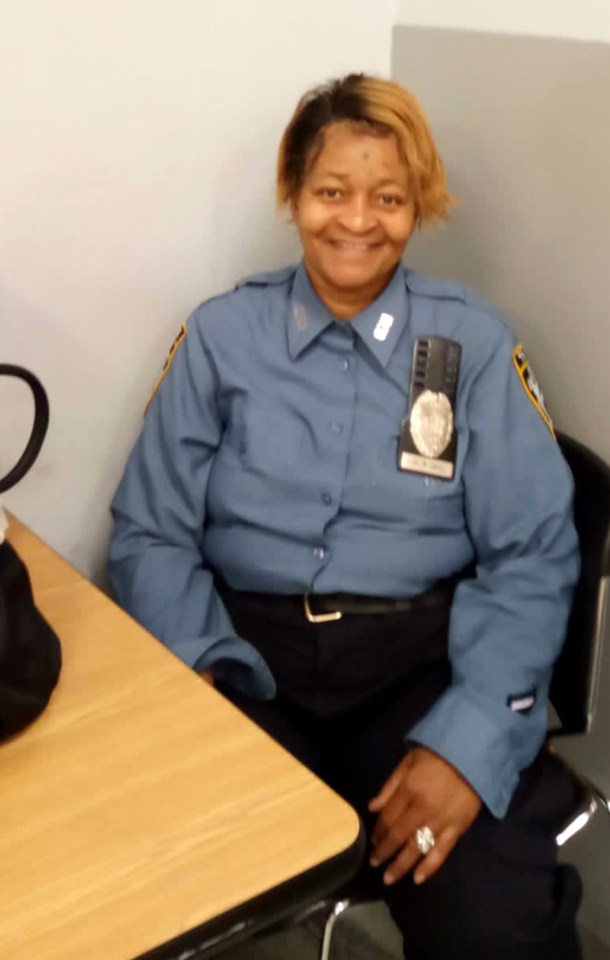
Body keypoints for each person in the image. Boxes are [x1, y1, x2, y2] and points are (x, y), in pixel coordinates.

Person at [109, 73, 582, 959]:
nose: (358, 221)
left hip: (419, 670)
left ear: (418, 206)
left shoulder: (469, 344)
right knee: (136, 883)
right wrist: (197, 685)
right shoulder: (220, 336)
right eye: (332, 191)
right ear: (294, 194)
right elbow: (151, 530)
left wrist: (469, 743)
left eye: (388, 197)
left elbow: (533, 554)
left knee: (492, 914)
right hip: (245, 668)